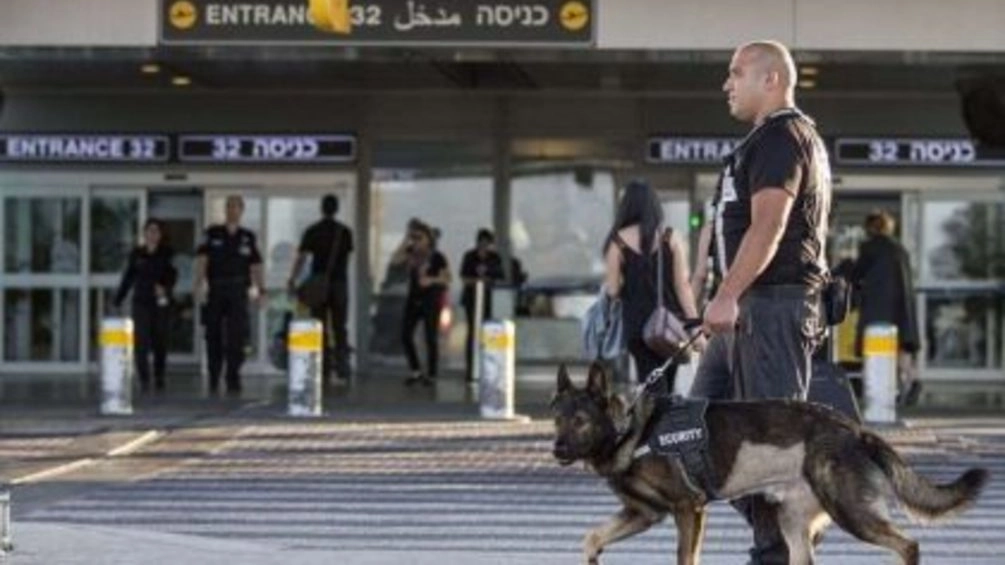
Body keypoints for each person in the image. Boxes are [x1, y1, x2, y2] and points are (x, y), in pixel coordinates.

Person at [702, 40, 832, 565]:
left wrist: (728, 294)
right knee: (695, 440)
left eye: (736, 73)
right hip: (749, 310)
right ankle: (786, 538)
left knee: (771, 452)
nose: (726, 85)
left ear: (771, 80)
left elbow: (771, 225)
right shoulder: (766, 140)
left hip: (772, 307)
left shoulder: (782, 136)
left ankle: (781, 551)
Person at [603, 180, 702, 396]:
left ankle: (654, 426)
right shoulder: (670, 237)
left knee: (651, 387)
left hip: (638, 328)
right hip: (670, 327)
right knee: (667, 383)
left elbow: (612, 290)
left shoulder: (617, 242)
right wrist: (695, 326)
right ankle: (663, 426)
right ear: (654, 205)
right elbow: (682, 286)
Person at [195, 195, 265, 396]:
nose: (232, 210)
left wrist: (261, 289)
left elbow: (256, 265)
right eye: (229, 206)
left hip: (238, 290)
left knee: (237, 335)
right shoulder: (212, 233)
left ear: (241, 211)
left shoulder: (247, 236)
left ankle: (233, 375)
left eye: (236, 207)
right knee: (213, 333)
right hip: (216, 288)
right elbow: (202, 259)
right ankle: (214, 375)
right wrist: (199, 283)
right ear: (225, 210)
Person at [852, 210, 922, 406]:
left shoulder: (870, 247)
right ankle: (912, 380)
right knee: (901, 347)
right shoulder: (900, 248)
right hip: (902, 307)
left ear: (872, 227)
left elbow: (857, 273)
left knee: (873, 345)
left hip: (878, 305)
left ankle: (875, 392)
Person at [287, 194, 354, 384]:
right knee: (340, 326)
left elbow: (301, 258)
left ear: (321, 208)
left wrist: (292, 279)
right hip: (339, 284)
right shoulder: (345, 232)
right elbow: (347, 258)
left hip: (319, 286)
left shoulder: (313, 231)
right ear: (337, 209)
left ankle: (323, 368)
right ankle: (343, 367)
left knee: (320, 326)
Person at [113, 218, 177, 393]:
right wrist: (119, 298)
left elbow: (172, 275)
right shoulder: (137, 254)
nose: (152, 234)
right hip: (141, 301)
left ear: (160, 234)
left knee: (160, 339)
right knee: (141, 340)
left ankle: (159, 375)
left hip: (159, 302)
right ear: (145, 233)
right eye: (149, 230)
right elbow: (129, 276)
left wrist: (165, 288)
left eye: (156, 231)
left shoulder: (166, 253)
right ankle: (144, 377)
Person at [392, 221, 451, 386]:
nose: (417, 241)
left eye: (420, 238)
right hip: (414, 298)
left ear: (428, 239)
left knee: (430, 337)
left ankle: (431, 373)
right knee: (406, 335)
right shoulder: (410, 253)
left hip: (430, 300)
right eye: (414, 237)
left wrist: (431, 280)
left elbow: (447, 278)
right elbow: (395, 260)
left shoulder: (437, 257)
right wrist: (406, 240)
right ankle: (415, 370)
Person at [459, 228, 505, 382]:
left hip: (489, 300)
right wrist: (477, 282)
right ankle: (471, 369)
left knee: (490, 334)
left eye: (487, 243)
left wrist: (488, 281)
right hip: (472, 300)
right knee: (473, 333)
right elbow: (464, 277)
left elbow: (500, 277)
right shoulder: (469, 257)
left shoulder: (495, 258)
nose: (484, 246)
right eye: (482, 243)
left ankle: (488, 369)